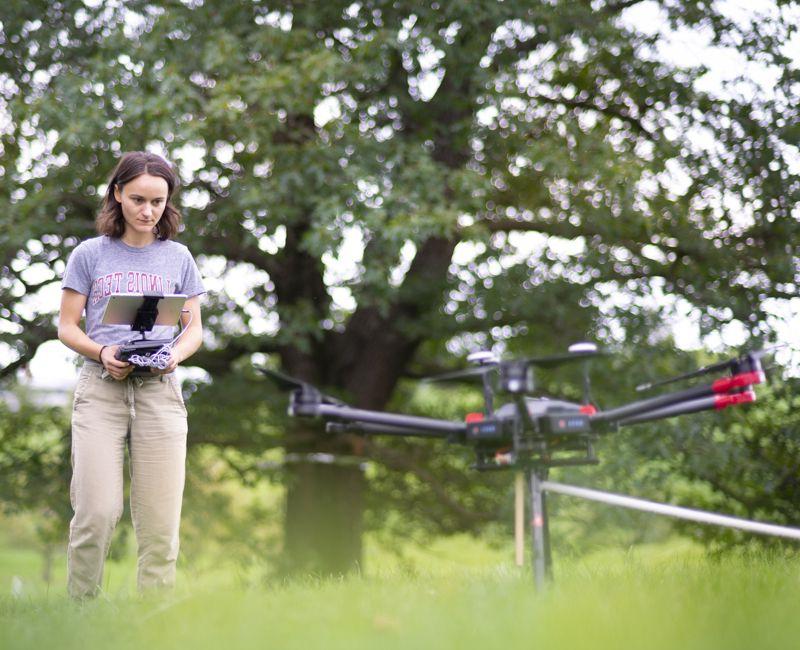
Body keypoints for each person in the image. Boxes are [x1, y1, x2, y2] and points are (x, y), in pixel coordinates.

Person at [58, 151, 205, 599]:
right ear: (117, 194)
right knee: (96, 512)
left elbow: (193, 327)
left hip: (159, 392)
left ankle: (152, 623)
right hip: (102, 391)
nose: (148, 211)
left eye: (158, 202)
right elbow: (66, 327)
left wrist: (175, 355)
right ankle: (80, 613)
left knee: (161, 522)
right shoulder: (89, 255)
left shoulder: (178, 257)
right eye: (138, 199)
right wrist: (103, 352)